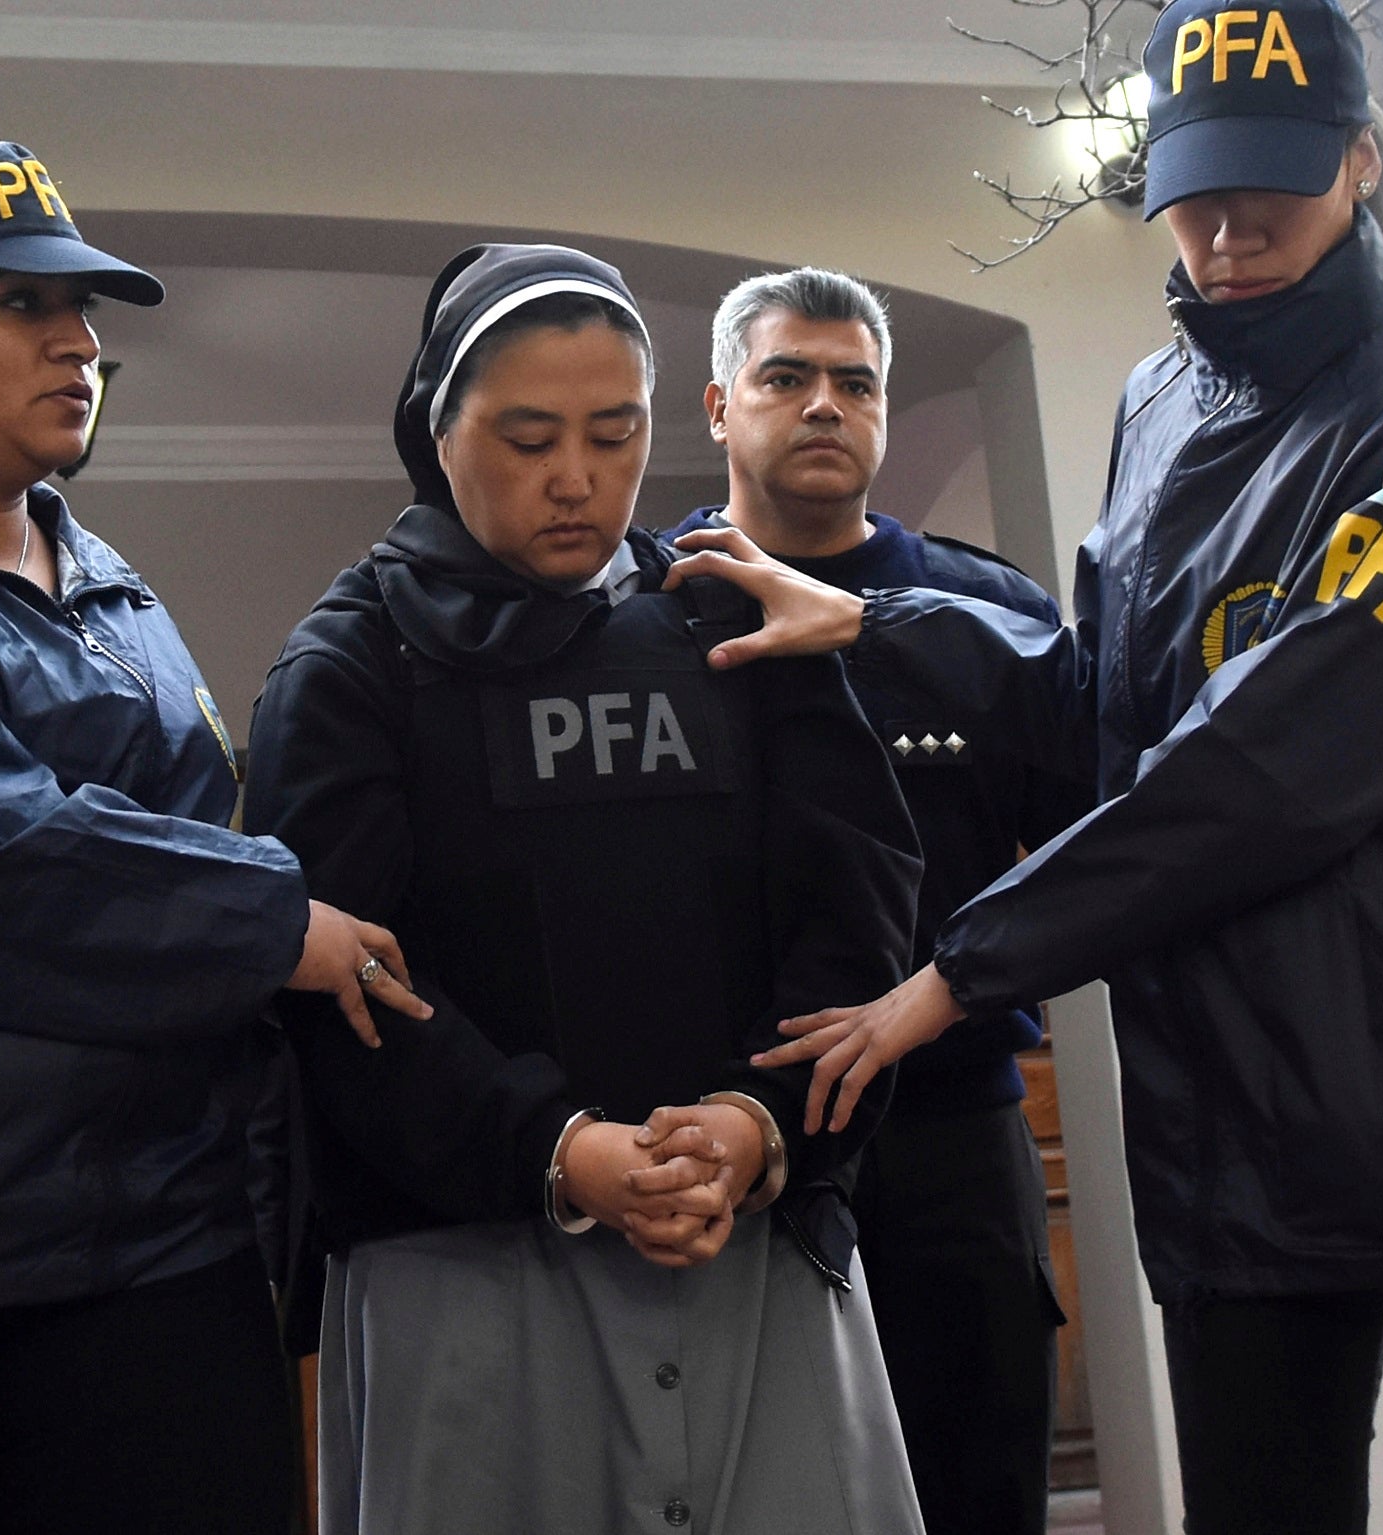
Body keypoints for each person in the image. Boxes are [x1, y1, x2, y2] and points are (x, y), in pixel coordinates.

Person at [667, 4, 1383, 1530]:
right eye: (1192, 185)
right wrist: (874, 622)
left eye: (1268, 182)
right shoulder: (1158, 403)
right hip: (1229, 1087)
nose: (1223, 225)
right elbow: (1105, 703)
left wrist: (963, 965)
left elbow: (1281, 751)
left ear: (1355, 161)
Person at [0, 141, 428, 1534]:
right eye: (17, 305)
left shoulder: (112, 589)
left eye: (87, 315)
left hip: (161, 1246)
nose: (78, 342)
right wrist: (275, 922)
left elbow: (146, 843)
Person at [241, 243, 926, 1535]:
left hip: (749, 1244)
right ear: (434, 432)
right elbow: (344, 987)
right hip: (467, 1268)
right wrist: (557, 1149)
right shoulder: (348, 664)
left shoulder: (719, 615)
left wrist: (759, 1121)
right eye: (527, 437)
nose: (576, 479)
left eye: (614, 434)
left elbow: (858, 917)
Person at [664, 267, 1084, 1535]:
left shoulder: (992, 614)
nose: (824, 404)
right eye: (786, 376)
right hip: (723, 1129)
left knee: (980, 1484)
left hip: (950, 1127)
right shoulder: (641, 609)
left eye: (855, 382)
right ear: (718, 405)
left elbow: (1094, 853)